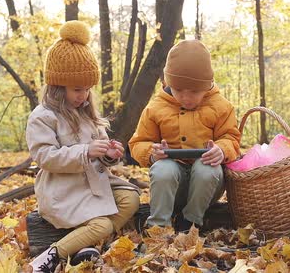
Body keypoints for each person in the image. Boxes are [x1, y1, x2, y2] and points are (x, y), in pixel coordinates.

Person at [26, 21, 140, 272]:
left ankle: (88, 246)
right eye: (78, 89)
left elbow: (98, 157)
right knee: (101, 224)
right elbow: (44, 156)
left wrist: (108, 156)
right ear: (57, 86)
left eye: (88, 89)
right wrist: (85, 151)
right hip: (63, 189)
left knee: (130, 199)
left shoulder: (87, 113)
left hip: (93, 184)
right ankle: (48, 257)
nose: (84, 96)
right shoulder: (43, 116)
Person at [129, 40, 241, 231]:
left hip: (208, 186)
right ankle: (158, 226)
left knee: (207, 168)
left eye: (195, 92)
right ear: (167, 82)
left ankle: (191, 221)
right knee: (163, 168)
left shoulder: (221, 106)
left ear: (207, 86)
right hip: (171, 186)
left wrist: (221, 150)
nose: (186, 98)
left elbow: (231, 138)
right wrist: (152, 152)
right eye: (178, 90)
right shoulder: (156, 107)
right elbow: (138, 142)